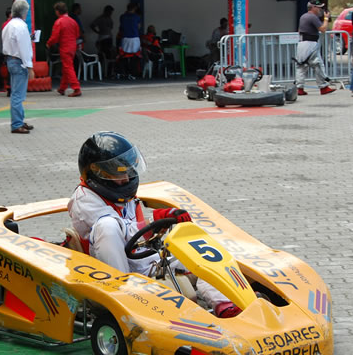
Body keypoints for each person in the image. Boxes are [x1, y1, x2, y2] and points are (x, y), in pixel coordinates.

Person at [68, 132, 242, 319]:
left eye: (127, 171)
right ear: (98, 174)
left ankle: (227, 305)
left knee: (203, 253)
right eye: (118, 173)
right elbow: (123, 230)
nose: (126, 178)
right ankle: (123, 299)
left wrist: (169, 221)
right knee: (107, 227)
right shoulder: (84, 201)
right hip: (115, 270)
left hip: (143, 258)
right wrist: (154, 223)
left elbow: (137, 231)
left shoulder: (120, 195)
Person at [1, 0, 35, 134]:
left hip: (10, 59)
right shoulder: (21, 26)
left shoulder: (8, 25)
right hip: (19, 61)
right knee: (18, 95)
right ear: (24, 12)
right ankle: (16, 124)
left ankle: (19, 120)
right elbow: (24, 48)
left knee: (17, 93)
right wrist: (30, 66)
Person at [294, 0, 336, 96]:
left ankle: (299, 88)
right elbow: (323, 29)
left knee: (301, 65)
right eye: (319, 8)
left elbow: (299, 30)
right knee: (318, 64)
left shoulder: (303, 16)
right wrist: (326, 19)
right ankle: (323, 87)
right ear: (313, 7)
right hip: (310, 43)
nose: (320, 10)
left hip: (302, 43)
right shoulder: (312, 17)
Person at [47, 2, 81, 97]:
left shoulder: (59, 22)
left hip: (65, 47)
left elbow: (55, 37)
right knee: (67, 67)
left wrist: (49, 43)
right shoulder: (73, 21)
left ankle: (76, 88)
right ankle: (62, 88)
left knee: (68, 67)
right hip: (73, 47)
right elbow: (77, 34)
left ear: (58, 11)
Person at [117, 3, 142, 79]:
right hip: (134, 38)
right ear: (134, 8)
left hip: (125, 38)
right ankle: (133, 73)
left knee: (124, 55)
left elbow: (121, 27)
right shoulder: (137, 17)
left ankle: (124, 72)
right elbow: (139, 27)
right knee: (135, 56)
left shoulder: (122, 17)